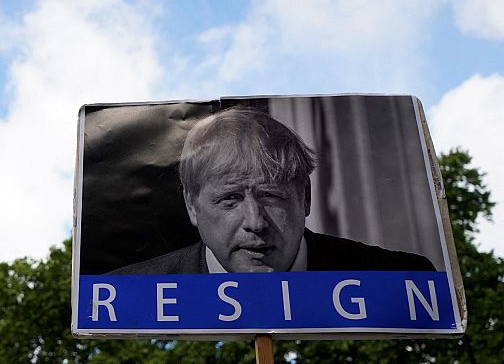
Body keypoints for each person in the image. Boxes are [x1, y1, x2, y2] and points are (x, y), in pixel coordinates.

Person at [111, 106, 435, 274]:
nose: (255, 222)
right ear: (192, 207)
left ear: (305, 197)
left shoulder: (403, 278)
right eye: (230, 199)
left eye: (271, 195)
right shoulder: (126, 293)